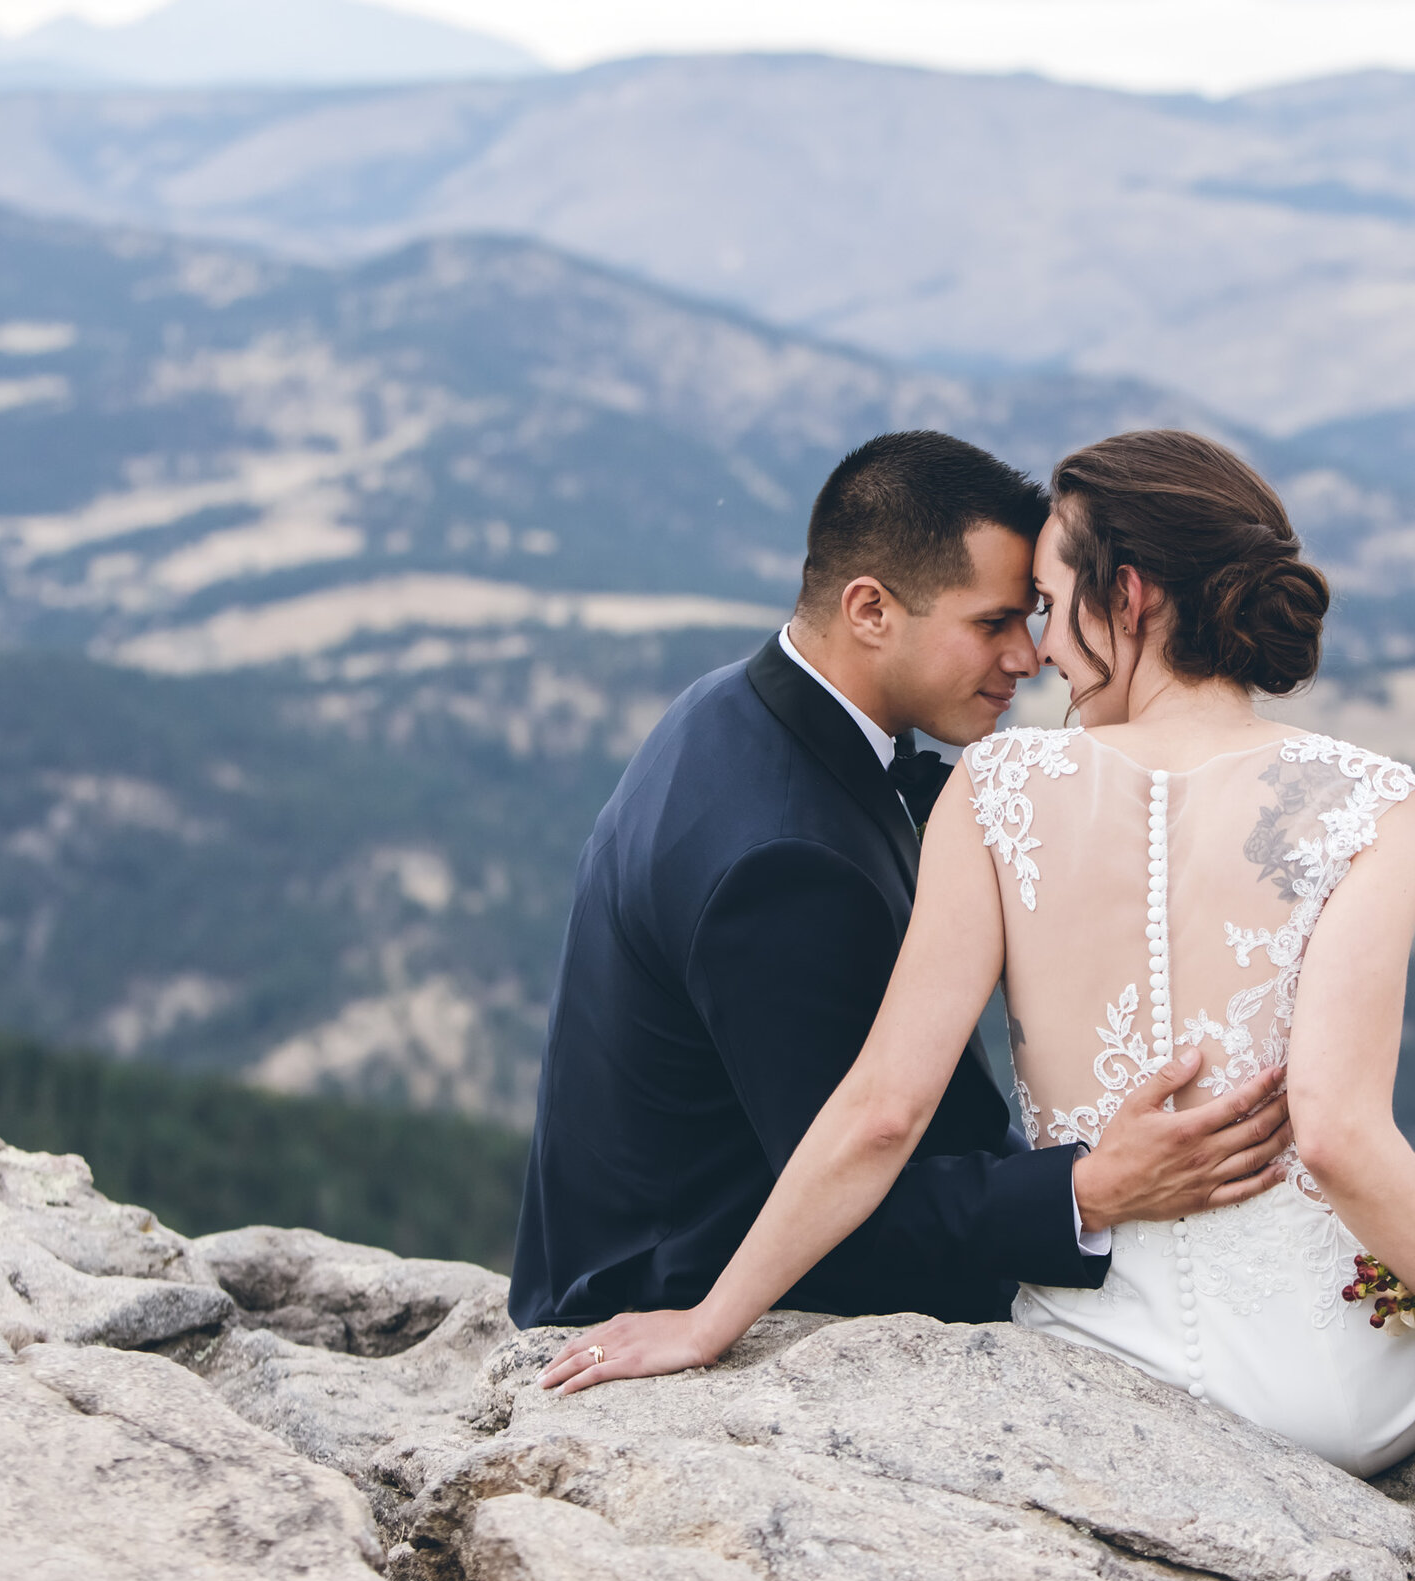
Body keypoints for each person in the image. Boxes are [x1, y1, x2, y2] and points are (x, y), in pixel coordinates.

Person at [544, 429, 1415, 1477]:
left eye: (1045, 605)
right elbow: (1341, 1137)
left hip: (1097, 1361)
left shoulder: (993, 786)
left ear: (1124, 599)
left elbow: (879, 1110)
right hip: (1334, 1386)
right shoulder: (1370, 801)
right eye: (1011, 616)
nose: (1038, 649)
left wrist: (711, 1324)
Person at [508, 431, 1292, 1333]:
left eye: (1034, 614)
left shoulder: (738, 706)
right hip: (680, 1285)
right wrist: (1092, 1188)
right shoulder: (783, 862)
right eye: (993, 623)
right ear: (871, 610)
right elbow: (853, 1189)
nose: (1029, 656)